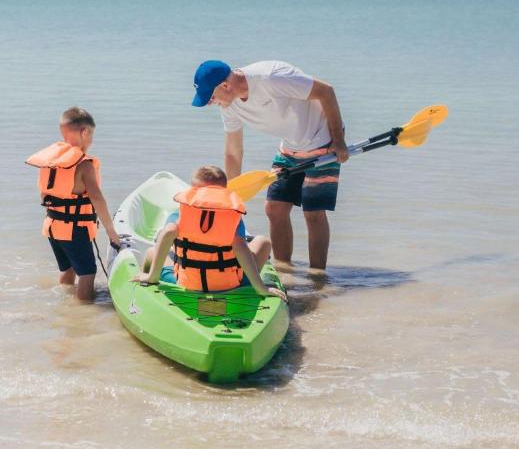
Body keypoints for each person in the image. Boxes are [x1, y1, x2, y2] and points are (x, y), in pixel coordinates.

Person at [191, 60, 349, 271]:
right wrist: (233, 194)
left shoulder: (270, 79)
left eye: (210, 98)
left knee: (313, 213)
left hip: (323, 140)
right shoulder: (230, 107)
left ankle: (317, 277)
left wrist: (338, 140)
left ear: (225, 86)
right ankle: (285, 271)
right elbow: (233, 152)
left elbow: (326, 91)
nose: (211, 103)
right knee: (274, 208)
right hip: (290, 146)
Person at [134, 165, 286, 301]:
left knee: (151, 252)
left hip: (187, 283)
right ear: (224, 190)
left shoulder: (181, 216)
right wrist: (260, 287)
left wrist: (154, 275)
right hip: (230, 284)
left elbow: (168, 233)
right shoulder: (233, 217)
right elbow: (240, 247)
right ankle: (252, 284)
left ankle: (149, 276)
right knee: (263, 242)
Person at [26, 107, 121, 301]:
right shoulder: (83, 164)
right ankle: (83, 315)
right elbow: (96, 196)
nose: (91, 140)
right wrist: (111, 231)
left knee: (68, 269)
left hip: (53, 227)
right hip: (74, 229)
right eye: (91, 135)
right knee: (87, 273)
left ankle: (66, 306)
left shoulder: (52, 160)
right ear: (85, 132)